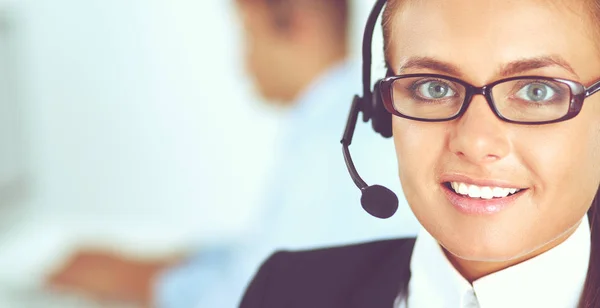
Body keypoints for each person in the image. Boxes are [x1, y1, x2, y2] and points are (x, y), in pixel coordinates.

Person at [47, 1, 418, 307]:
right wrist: (173, 261)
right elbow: (266, 252)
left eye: (247, 32)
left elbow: (245, 297)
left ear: (297, 24)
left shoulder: (334, 148)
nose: (242, 64)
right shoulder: (345, 115)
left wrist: (128, 280)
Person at [239, 0, 600, 307]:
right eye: (435, 87)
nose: (475, 143)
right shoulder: (287, 291)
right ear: (380, 112)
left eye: (537, 91)